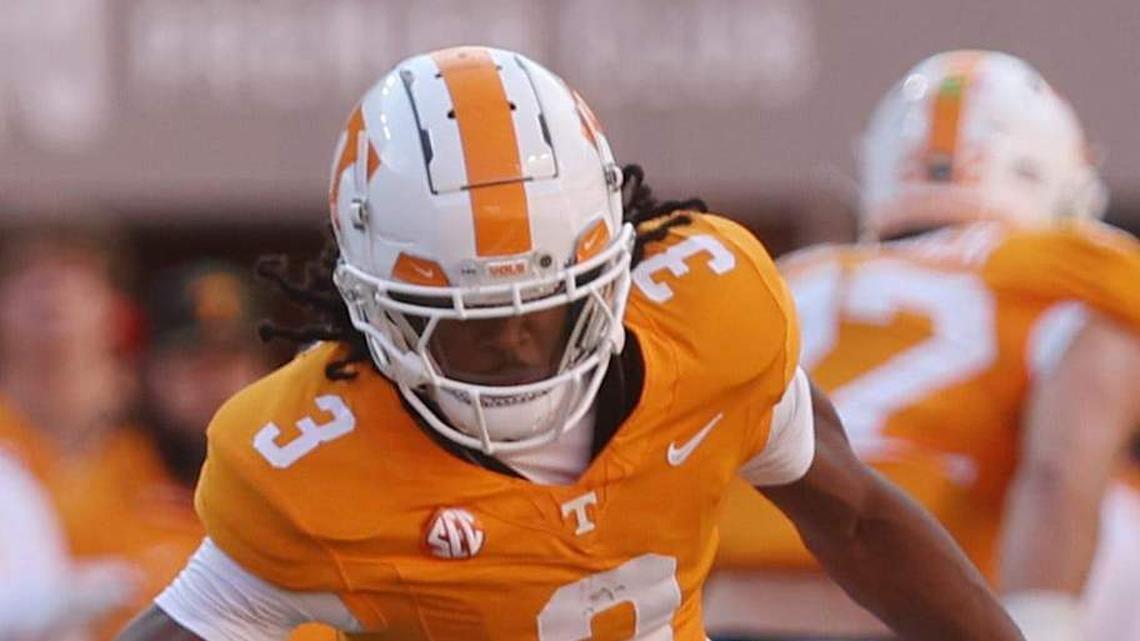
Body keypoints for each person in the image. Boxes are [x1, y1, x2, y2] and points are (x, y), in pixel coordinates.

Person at [114, 46, 1024, 641]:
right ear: (372, 311)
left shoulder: (712, 315)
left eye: (542, 313)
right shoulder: (306, 463)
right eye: (467, 328)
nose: (513, 348)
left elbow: (857, 516)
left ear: (615, 267)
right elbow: (186, 623)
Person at [707, 50, 1140, 641]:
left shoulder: (788, 277)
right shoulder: (1071, 275)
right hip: (902, 619)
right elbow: (1058, 475)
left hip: (726, 616)